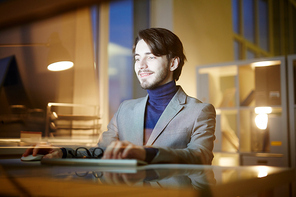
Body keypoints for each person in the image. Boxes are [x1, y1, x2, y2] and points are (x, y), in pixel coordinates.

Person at [23, 28, 216, 164]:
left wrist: (146, 153)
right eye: (137, 58)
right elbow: (101, 150)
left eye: (151, 57)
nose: (141, 66)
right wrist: (62, 152)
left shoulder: (199, 111)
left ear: (173, 63)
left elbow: (200, 156)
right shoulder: (126, 109)